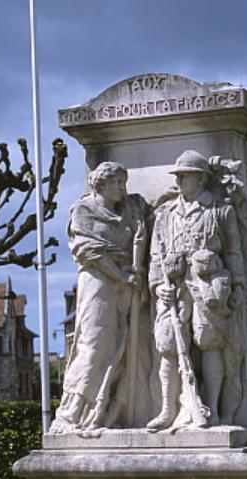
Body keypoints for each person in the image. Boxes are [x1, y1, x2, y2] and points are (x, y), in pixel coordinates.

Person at [147, 150, 245, 430]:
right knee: (167, 345)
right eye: (177, 176)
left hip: (208, 287)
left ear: (201, 179)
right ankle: (168, 410)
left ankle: (210, 408)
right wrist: (157, 288)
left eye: (185, 175)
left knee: (208, 342)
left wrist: (238, 285)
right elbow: (156, 256)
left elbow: (233, 251)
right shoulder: (165, 214)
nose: (178, 181)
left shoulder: (220, 211)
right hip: (174, 288)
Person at [51, 162, 149, 432]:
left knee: (117, 346)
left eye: (124, 182)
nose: (123, 188)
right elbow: (88, 251)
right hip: (99, 286)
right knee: (93, 345)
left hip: (122, 289)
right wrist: (122, 275)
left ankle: (102, 409)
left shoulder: (127, 211)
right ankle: (71, 413)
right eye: (117, 182)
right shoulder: (84, 211)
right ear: (101, 184)